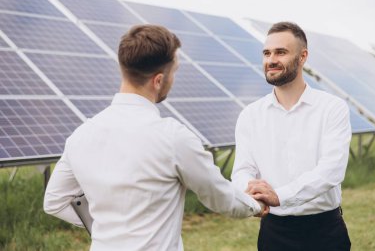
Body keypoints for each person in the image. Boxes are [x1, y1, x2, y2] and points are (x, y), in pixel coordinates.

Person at [44, 24, 265, 251]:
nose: (174, 79)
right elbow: (220, 197)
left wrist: (107, 227)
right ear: (158, 80)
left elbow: (54, 202)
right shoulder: (173, 138)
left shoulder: (80, 136)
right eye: (175, 71)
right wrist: (255, 205)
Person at [231, 22, 352, 251]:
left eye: (281, 52)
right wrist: (251, 194)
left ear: (303, 56)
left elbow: (332, 170)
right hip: (274, 232)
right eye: (267, 53)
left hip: (324, 231)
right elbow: (242, 170)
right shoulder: (250, 115)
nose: (271, 60)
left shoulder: (332, 108)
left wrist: (280, 196)